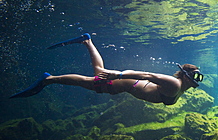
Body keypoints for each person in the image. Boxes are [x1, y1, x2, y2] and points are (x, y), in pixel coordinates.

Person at [10, 33, 204, 105]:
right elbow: (148, 74)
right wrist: (118, 75)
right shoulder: (174, 83)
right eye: (195, 75)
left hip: (129, 83)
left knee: (98, 73)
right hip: (128, 81)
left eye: (199, 77)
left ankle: (86, 41)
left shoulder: (179, 87)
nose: (197, 79)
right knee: (92, 82)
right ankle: (48, 79)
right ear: (185, 76)